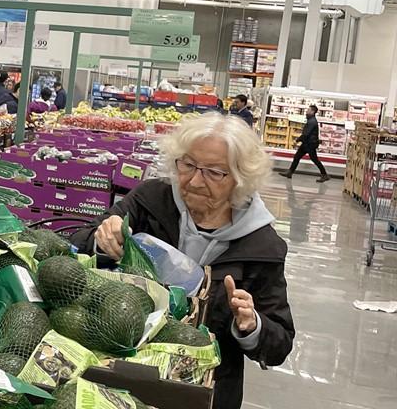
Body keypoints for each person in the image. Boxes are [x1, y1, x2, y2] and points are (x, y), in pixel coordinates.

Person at [71, 113, 294, 409]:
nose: (195, 180)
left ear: (240, 178)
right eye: (188, 165)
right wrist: (103, 240)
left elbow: (279, 342)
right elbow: (78, 242)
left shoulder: (261, 246)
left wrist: (252, 325)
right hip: (124, 373)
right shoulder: (151, 200)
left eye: (214, 172)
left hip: (205, 391)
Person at [282, 104, 328, 182]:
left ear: (312, 112)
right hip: (307, 143)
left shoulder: (312, 121)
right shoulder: (310, 120)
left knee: (314, 159)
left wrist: (297, 140)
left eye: (308, 110)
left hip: (310, 144)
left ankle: (325, 175)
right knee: (297, 157)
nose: (306, 111)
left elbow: (306, 134)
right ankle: (290, 172)